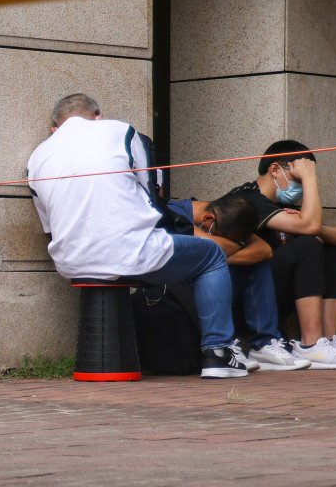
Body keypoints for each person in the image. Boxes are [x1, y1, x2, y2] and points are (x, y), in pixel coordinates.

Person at [27, 92, 244, 378]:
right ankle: (218, 351)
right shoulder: (123, 132)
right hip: (132, 253)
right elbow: (152, 195)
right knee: (211, 255)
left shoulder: (37, 156)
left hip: (71, 263)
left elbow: (50, 228)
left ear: (54, 127)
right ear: (97, 116)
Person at [223, 140, 336, 369]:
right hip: (244, 300)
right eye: (298, 179)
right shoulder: (248, 200)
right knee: (307, 244)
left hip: (272, 294)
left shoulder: (282, 206)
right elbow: (310, 228)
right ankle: (311, 343)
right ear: (275, 169)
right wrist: (309, 178)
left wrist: (315, 226)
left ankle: (328, 341)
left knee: (331, 250)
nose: (303, 187)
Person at [158, 192, 309, 370]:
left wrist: (215, 262)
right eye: (230, 238)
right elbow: (213, 246)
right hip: (177, 290)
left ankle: (264, 344)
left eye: (240, 240)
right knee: (228, 261)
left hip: (216, 289)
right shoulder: (173, 214)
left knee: (256, 263)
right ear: (208, 219)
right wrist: (220, 255)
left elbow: (264, 250)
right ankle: (224, 346)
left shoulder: (226, 215)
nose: (235, 243)